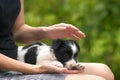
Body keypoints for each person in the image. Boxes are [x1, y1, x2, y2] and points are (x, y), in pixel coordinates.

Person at [0, 0, 114, 80]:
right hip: (6, 70)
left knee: (104, 71)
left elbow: (18, 31)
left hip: (15, 60)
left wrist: (46, 32)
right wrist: (35, 68)